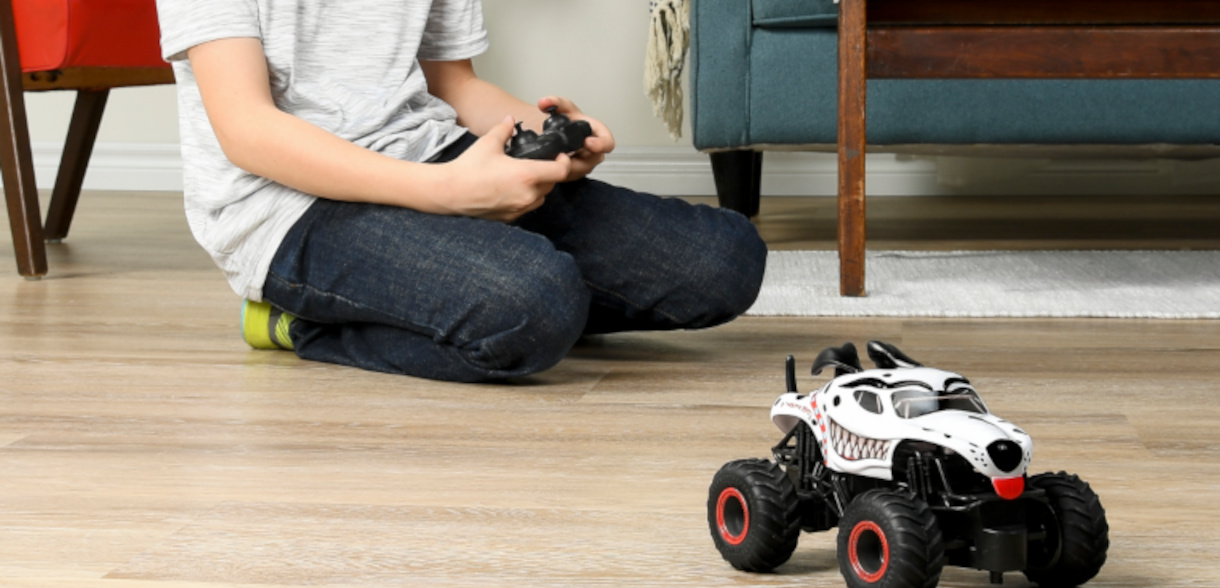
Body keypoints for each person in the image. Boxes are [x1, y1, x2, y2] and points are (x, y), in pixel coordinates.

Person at [154, 0, 766, 383]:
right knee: (538, 304)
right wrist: (445, 190)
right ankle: (298, 322)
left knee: (725, 259)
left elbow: (453, 85)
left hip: (432, 155)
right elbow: (246, 129)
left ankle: (468, 295)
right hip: (287, 206)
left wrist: (549, 135)